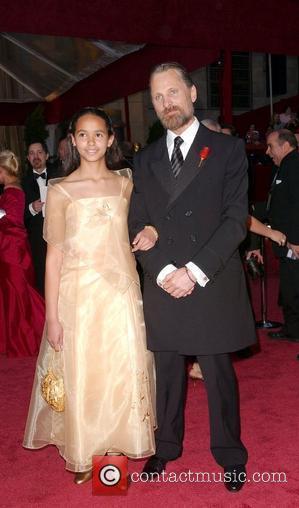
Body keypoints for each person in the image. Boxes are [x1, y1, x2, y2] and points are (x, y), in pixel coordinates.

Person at [128, 62, 256, 492]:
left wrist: (194, 271)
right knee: (167, 371)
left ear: (192, 94)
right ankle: (165, 447)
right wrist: (165, 271)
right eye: (158, 97)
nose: (167, 102)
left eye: (173, 92)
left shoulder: (227, 150)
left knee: (218, 372)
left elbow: (236, 220)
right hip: (164, 280)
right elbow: (137, 223)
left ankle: (230, 454)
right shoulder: (143, 160)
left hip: (210, 278)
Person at [23, 107, 156, 484]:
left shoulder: (126, 182)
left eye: (99, 134)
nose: (92, 142)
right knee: (84, 373)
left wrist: (152, 230)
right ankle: (86, 449)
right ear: (72, 140)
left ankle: (113, 455)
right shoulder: (61, 190)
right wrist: (52, 316)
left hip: (121, 293)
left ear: (111, 138)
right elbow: (54, 257)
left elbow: (150, 219)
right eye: (84, 134)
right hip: (77, 295)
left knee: (120, 372)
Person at [0, 150, 45, 357]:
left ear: (3, 170)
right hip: (11, 252)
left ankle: (31, 335)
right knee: (15, 295)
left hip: (13, 253)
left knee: (20, 295)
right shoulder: (11, 190)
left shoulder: (12, 192)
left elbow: (13, 224)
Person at [264, 130, 299, 342]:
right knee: (289, 288)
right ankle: (293, 330)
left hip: (294, 242)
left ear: (285, 145)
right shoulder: (286, 166)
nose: (268, 152)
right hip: (287, 242)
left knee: (295, 288)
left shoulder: (294, 165)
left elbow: (298, 204)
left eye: (271, 146)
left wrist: (296, 240)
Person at [22, 141, 62, 295]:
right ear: (27, 158)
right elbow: (17, 218)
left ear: (46, 155)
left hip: (60, 235)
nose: (36, 156)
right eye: (32, 153)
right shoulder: (22, 183)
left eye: (39, 152)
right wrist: (31, 208)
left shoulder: (59, 176)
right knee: (42, 280)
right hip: (37, 241)